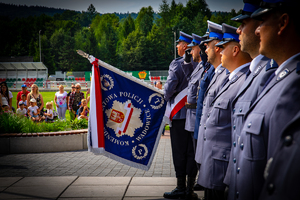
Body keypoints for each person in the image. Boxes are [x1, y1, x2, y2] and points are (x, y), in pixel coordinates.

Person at [227, 0, 300, 199]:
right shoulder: (278, 78)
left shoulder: (293, 86)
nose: (257, 30)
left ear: (283, 23)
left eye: (262, 21)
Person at [223, 0, 278, 199]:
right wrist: (230, 179)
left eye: (243, 24)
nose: (239, 31)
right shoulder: (254, 73)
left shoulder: (270, 74)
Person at [197, 23, 252, 200]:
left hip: (223, 166)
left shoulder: (242, 81)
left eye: (222, 48)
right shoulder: (231, 78)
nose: (219, 51)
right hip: (214, 162)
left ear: (235, 50)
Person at [163, 31, 196, 200]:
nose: (177, 46)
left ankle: (181, 187)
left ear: (184, 47)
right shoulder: (199, 64)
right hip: (194, 114)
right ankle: (190, 188)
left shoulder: (176, 64)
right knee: (191, 151)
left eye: (179, 44)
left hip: (179, 114)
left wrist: (165, 97)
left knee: (179, 151)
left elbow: (169, 89)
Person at [195, 20, 229, 182]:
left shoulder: (224, 75)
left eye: (207, 46)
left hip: (217, 151)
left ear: (217, 48)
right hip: (207, 142)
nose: (205, 50)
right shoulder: (214, 72)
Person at [180, 33, 210, 198]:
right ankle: (198, 184)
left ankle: (202, 184)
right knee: (195, 153)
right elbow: (188, 77)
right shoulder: (198, 67)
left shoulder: (205, 67)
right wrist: (186, 61)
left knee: (198, 153)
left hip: (196, 115)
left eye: (193, 49)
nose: (190, 52)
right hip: (192, 116)